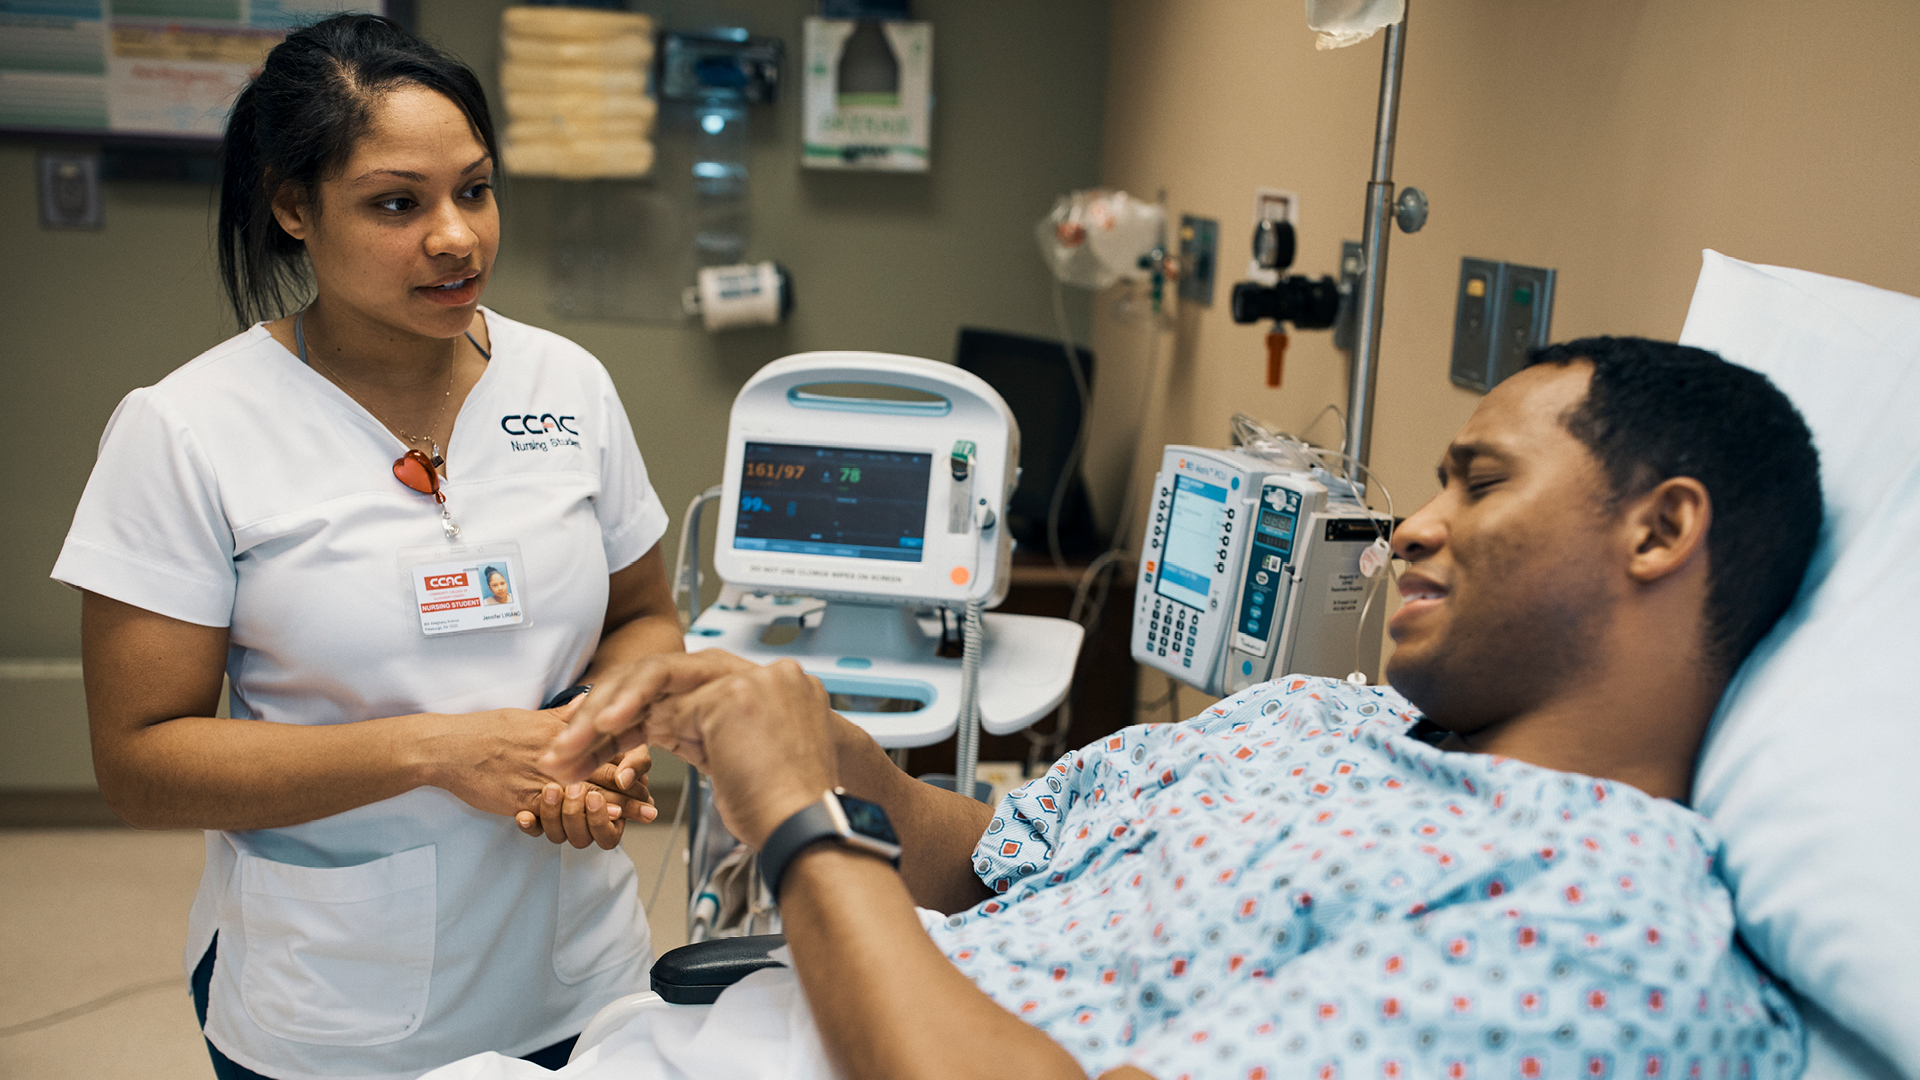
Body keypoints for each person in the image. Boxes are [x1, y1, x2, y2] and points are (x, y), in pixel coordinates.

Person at [528, 337, 1820, 1080]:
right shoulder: (1318, 720)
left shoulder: (1595, 920)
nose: (1415, 529)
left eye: (1479, 484)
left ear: (1660, 529)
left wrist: (801, 823)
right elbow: (983, 858)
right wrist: (825, 751)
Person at [52, 15, 682, 1079]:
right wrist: (440, 751)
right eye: (399, 203)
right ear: (293, 207)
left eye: (475, 191)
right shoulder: (189, 428)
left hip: (581, 972)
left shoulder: (566, 386)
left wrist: (602, 729)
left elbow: (643, 617)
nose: (457, 238)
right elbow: (142, 764)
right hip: (339, 1002)